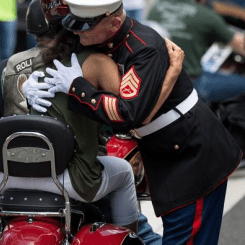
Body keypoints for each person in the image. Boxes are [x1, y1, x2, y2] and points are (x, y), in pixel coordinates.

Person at [0, 0, 184, 241]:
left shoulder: (9, 66)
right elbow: (131, 114)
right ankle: (129, 237)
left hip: (9, 177)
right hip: (70, 180)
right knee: (122, 172)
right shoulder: (96, 62)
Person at [29, 0, 242, 244]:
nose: (76, 31)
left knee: (185, 237)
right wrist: (34, 80)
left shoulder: (144, 48)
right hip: (162, 147)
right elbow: (57, 51)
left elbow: (128, 114)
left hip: (190, 154)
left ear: (114, 23)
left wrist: (77, 87)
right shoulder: (96, 35)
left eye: (83, 27)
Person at [147, 0, 245, 103]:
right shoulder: (206, 15)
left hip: (155, 82)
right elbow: (240, 45)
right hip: (188, 86)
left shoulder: (157, 7)